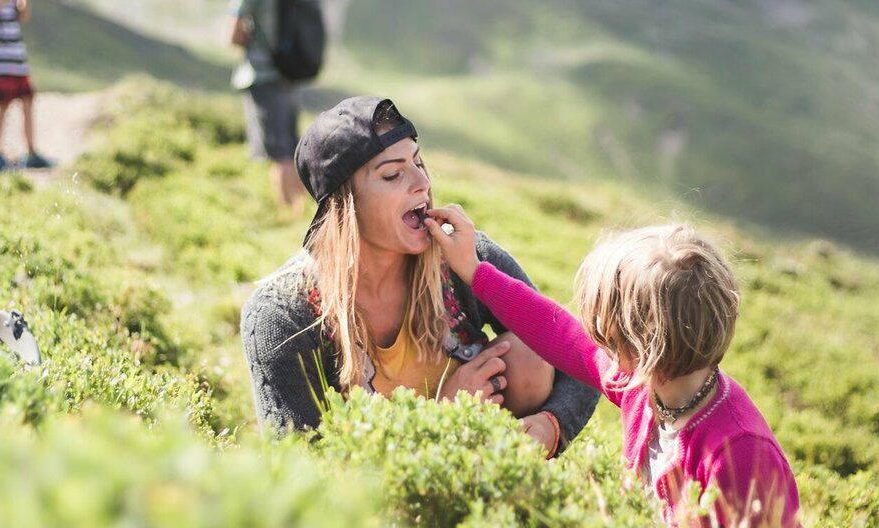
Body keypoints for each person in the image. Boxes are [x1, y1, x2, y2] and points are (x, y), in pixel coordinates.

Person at [240, 97, 601, 458]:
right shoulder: (281, 315)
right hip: (375, 487)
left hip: (482, 467)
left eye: (418, 162)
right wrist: (439, 416)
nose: (422, 183)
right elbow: (302, 465)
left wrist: (553, 425)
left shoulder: (462, 257)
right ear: (344, 204)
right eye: (392, 174)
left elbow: (582, 354)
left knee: (529, 354)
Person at [422, 208, 802, 527]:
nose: (593, 332)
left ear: (639, 345)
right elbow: (556, 330)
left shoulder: (741, 451)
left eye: (604, 327)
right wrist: (474, 271)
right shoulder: (644, 384)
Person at [228, 0, 306, 208]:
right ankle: (305, 207)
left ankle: (287, 210)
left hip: (262, 75)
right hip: (290, 72)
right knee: (293, 147)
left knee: (279, 152)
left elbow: (235, 34)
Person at [0, 0, 53, 172]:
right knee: (1, 105)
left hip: (16, 60)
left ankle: (31, 153)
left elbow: (23, 17)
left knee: (28, 100)